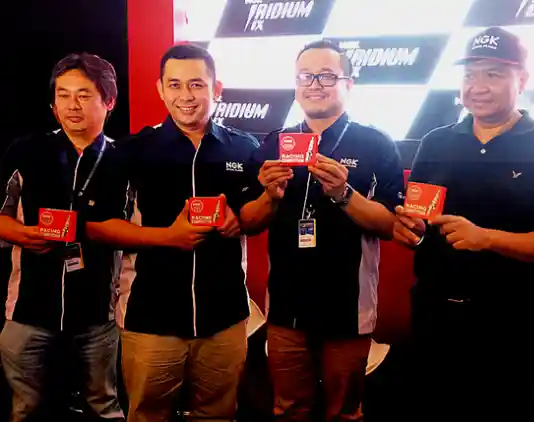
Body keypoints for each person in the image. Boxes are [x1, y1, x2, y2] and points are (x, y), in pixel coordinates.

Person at [393, 26, 534, 421]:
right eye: (469, 74)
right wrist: (409, 230)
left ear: (522, 80)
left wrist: (487, 239)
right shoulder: (435, 142)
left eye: (493, 74)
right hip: (434, 316)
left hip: (510, 325)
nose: (477, 87)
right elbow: (419, 220)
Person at [85, 43, 259, 422]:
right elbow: (96, 226)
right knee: (148, 415)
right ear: (160, 89)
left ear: (216, 89)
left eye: (196, 84)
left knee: (218, 416)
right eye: (175, 85)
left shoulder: (246, 149)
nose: (186, 95)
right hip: (150, 317)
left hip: (224, 317)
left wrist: (243, 218)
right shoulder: (130, 151)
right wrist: (168, 237)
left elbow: (257, 215)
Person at [237, 39, 404, 422]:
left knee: (344, 413)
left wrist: (344, 194)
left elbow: (390, 225)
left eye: (327, 76)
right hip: (286, 308)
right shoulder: (274, 143)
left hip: (348, 309)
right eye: (305, 76)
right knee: (288, 410)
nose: (314, 84)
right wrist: (270, 197)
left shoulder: (376, 144)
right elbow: (247, 222)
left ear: (349, 83)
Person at [0, 53, 124, 421]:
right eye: (63, 95)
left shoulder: (123, 159)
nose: (72, 105)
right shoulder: (26, 151)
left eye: (84, 95)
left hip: (99, 313)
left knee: (104, 405)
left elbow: (136, 231)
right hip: (27, 309)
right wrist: (23, 234)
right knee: (26, 409)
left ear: (109, 101)